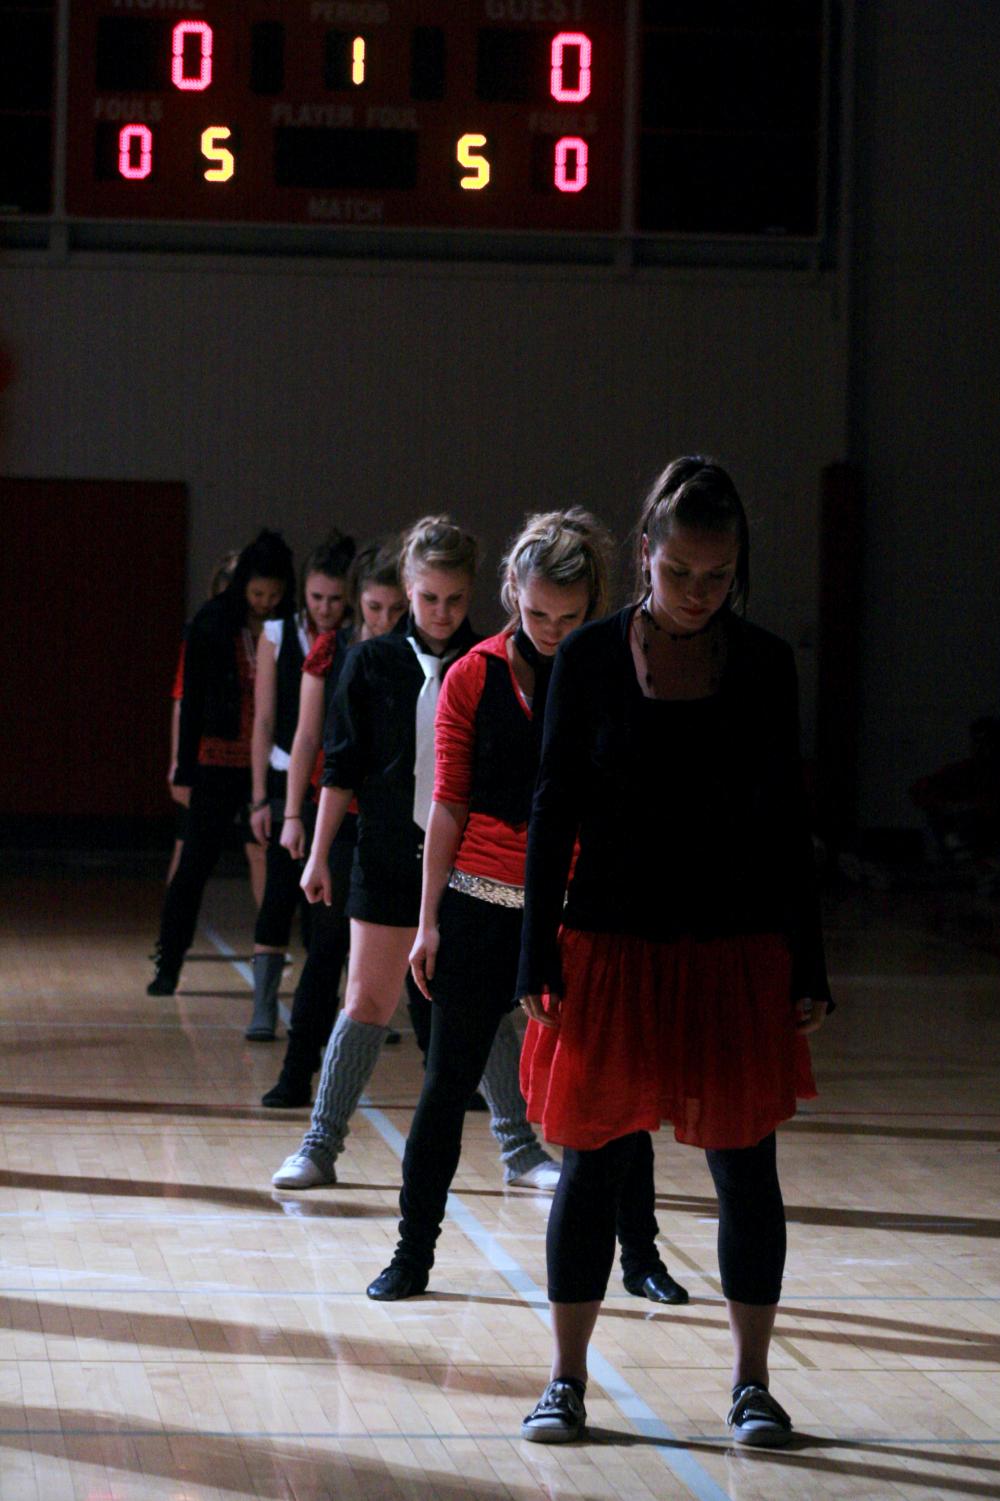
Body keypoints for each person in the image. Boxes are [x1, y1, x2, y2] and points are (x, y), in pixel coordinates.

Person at [515, 458, 831, 1449]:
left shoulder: (766, 663)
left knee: (747, 1174)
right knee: (592, 1170)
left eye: (717, 574)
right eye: (680, 570)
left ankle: (751, 1385)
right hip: (607, 942)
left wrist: (806, 959)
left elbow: (786, 821)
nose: (696, 591)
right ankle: (563, 1380)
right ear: (644, 553)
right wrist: (535, 949)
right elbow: (550, 808)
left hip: (732, 947)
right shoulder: (591, 659)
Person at [367, 509, 687, 1306]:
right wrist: (430, 917)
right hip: (477, 905)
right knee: (446, 1086)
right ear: (510, 590)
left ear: (595, 605)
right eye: (536, 612)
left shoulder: (619, 669)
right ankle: (412, 1254)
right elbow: (445, 803)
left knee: (614, 1092)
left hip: (580, 913)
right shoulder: (469, 675)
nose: (550, 629)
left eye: (570, 617)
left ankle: (640, 1257)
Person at [270, 516, 561, 1192]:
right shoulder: (369, 662)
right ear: (407, 588)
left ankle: (519, 1149)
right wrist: (317, 854)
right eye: (428, 597)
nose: (440, 612)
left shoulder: (489, 664)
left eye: (454, 599)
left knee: (476, 1001)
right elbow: (340, 766)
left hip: (467, 863)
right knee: (365, 998)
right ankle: (320, 1143)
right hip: (385, 856)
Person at [261, 539, 407, 1105]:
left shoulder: (421, 654)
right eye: (374, 608)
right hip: (340, 815)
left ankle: (463, 1081)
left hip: (401, 822)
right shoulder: (333, 649)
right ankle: (297, 1073)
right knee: (326, 949)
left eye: (397, 610)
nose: (385, 621)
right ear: (355, 602)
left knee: (423, 945)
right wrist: (294, 813)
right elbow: (304, 737)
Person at [147, 530, 295, 996]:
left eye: (274, 595)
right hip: (216, 760)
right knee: (192, 865)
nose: (265, 603)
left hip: (270, 765)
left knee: (274, 864)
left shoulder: (291, 626)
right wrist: (184, 767)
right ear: (241, 585)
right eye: (256, 593)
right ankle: (168, 963)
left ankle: (275, 965)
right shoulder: (211, 622)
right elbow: (188, 701)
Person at [245, 529, 356, 1040]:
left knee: (330, 909)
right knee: (278, 896)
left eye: (336, 598)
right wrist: (260, 798)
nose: (326, 607)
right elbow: (265, 720)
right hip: (284, 776)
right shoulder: (278, 633)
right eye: (316, 596)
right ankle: (263, 1007)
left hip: (335, 781)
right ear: (303, 591)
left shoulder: (356, 639)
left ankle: (344, 1009)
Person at [164, 551, 239, 890]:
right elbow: (183, 702)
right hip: (207, 759)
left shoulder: (265, 636)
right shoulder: (202, 634)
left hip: (252, 761)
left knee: (258, 848)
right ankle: (170, 935)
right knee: (188, 845)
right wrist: (179, 764)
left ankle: (272, 940)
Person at [910, 716, 1000, 873]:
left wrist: (974, 809)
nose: (979, 747)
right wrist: (942, 806)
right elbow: (921, 788)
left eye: (987, 742)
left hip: (998, 840)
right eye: (976, 741)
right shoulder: (962, 771)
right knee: (932, 822)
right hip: (963, 840)